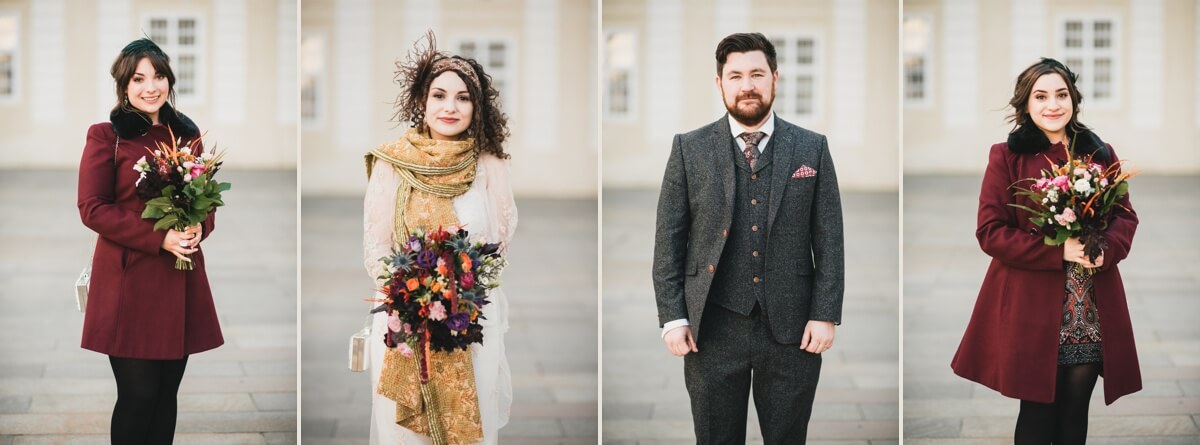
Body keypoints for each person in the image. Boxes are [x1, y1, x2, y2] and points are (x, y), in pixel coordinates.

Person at [652, 32, 845, 445]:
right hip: (712, 329)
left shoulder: (812, 148)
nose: (747, 85)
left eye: (757, 74)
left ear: (775, 78)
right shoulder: (689, 149)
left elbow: (829, 239)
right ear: (719, 83)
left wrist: (825, 312)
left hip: (793, 330)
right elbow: (669, 240)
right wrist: (673, 317)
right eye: (735, 75)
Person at [951, 58, 1141, 444]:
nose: (1052, 105)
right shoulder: (1005, 155)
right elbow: (990, 232)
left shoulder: (1099, 152)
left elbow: (1125, 217)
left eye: (1061, 94)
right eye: (1041, 96)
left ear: (1073, 99)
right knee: (1036, 413)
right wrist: (1058, 251)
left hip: (1088, 305)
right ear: (1026, 104)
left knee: (1075, 412)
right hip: (1031, 307)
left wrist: (1107, 250)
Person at [362, 32, 517, 445]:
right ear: (423, 101)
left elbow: (499, 242)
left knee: (469, 422)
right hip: (403, 320)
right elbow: (376, 246)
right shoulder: (392, 162)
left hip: (470, 317)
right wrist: (412, 298)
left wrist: (456, 290)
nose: (450, 107)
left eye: (463, 98)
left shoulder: (488, 164)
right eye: (440, 95)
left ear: (477, 107)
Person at [77, 38, 222, 444]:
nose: (150, 86)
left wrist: (199, 227)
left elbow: (206, 202)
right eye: (139, 78)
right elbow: (92, 207)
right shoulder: (107, 136)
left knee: (165, 396)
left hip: (180, 282)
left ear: (169, 80)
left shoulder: (187, 134)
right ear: (124, 85)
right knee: (138, 396)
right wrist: (160, 237)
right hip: (129, 282)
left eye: (158, 76)